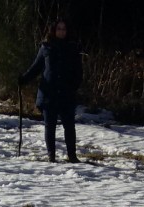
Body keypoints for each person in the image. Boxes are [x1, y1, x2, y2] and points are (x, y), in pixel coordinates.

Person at [19, 18, 82, 163]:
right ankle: (51, 156)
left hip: (66, 94)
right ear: (54, 30)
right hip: (49, 93)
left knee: (69, 126)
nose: (61, 32)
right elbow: (36, 68)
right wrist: (23, 79)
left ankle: (72, 156)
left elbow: (79, 72)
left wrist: (73, 86)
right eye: (59, 29)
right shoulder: (46, 47)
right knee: (50, 126)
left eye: (64, 29)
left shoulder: (73, 47)